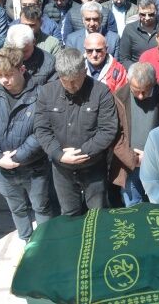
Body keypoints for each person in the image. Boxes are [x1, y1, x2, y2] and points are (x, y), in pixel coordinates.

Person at [0, 47, 52, 242]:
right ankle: (27, 240)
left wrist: (18, 156)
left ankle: (45, 243)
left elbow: (41, 131)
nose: (4, 80)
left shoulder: (41, 95)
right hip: (3, 169)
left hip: (34, 167)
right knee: (17, 208)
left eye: (9, 74)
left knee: (41, 207)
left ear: (22, 69)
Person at [34, 48, 118, 215]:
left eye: (75, 81)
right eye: (66, 81)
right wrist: (59, 154)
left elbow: (108, 130)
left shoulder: (101, 92)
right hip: (61, 167)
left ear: (84, 71)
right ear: (59, 76)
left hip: (93, 166)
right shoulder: (47, 93)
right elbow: (41, 129)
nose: (71, 86)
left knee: (97, 213)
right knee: (69, 213)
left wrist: (82, 152)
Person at [112, 62, 159, 206]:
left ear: (155, 82)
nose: (141, 96)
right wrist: (132, 159)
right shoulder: (119, 97)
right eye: (136, 91)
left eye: (146, 91)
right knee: (133, 209)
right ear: (128, 81)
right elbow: (114, 136)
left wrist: (151, 157)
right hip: (130, 165)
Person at [119, 0, 159, 68]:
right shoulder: (129, 29)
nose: (147, 18)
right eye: (142, 14)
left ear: (157, 10)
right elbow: (124, 59)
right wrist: (138, 70)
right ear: (138, 11)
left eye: (151, 14)